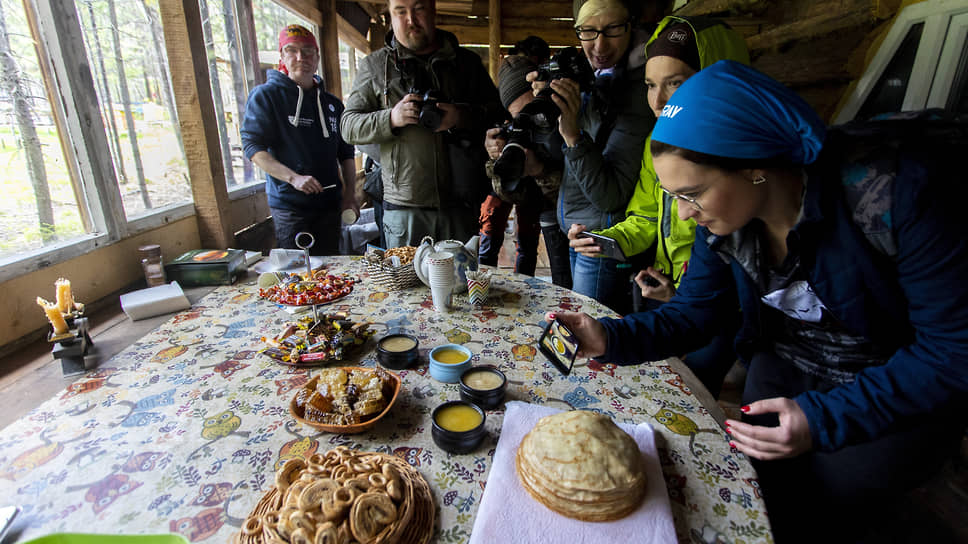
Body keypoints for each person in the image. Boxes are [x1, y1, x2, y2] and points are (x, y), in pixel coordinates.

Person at [547, 60, 968, 542]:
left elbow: (952, 350)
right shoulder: (724, 221)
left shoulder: (894, 195)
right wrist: (611, 336)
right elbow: (697, 311)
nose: (685, 214)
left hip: (894, 378)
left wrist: (823, 419)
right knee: (759, 489)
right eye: (674, 196)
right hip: (784, 360)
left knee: (836, 502)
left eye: (694, 194)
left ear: (755, 167)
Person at [570, 16, 749, 396]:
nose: (658, 102)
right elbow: (647, 216)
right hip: (668, 294)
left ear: (719, 81)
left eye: (677, 83)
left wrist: (684, 299)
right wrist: (604, 239)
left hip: (705, 309)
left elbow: (740, 283)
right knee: (658, 384)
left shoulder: (744, 168)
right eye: (651, 85)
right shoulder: (660, 144)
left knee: (691, 388)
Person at [341, 0, 505, 248]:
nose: (411, 20)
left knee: (459, 286)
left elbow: (498, 117)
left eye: (418, 9)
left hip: (460, 206)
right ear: (391, 15)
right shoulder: (375, 66)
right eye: (401, 11)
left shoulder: (466, 63)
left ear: (432, 10)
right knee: (407, 286)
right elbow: (348, 126)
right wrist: (391, 118)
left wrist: (460, 116)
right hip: (404, 210)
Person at [540, 0, 655, 313]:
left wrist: (573, 135)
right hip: (579, 230)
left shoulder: (643, 91)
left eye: (612, 29)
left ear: (631, 26)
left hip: (603, 240)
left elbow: (611, 195)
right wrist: (546, 106)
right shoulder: (596, 79)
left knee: (590, 334)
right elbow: (560, 156)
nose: (599, 45)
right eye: (588, 32)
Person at [240, 24, 357, 255]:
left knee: (332, 270)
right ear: (282, 56)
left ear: (317, 57)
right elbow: (253, 147)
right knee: (299, 275)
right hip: (291, 208)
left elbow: (346, 154)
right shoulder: (266, 96)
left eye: (307, 51)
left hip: (330, 206)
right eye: (291, 50)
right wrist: (293, 178)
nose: (300, 57)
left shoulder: (332, 104)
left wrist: (350, 195)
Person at [480, 54, 572, 288]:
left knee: (566, 283)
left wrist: (540, 170)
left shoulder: (567, 116)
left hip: (574, 220)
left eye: (530, 113)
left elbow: (577, 187)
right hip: (545, 214)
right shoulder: (511, 130)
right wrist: (496, 160)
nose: (525, 123)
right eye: (517, 117)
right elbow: (509, 194)